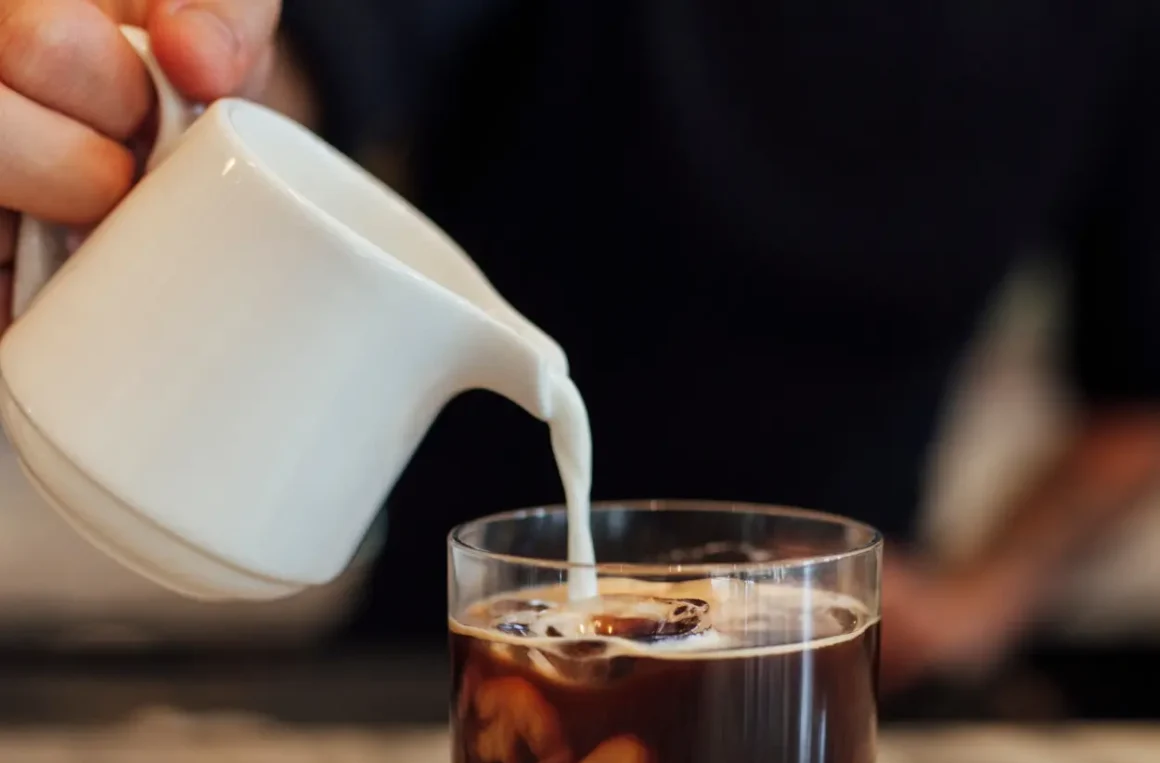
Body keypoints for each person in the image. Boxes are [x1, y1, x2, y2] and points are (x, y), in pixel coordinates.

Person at [1, 1, 1159, 696]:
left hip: (824, 685)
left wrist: (982, 599)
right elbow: (315, 60)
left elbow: (1136, 388)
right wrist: (172, 84)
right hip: (443, 669)